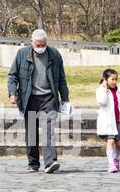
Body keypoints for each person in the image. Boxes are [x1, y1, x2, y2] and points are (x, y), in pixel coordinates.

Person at [6, 28, 71, 174]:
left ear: (46, 42)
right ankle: (33, 164)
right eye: (38, 45)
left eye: (43, 45)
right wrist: (12, 93)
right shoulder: (22, 54)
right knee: (31, 132)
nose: (40, 48)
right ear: (31, 43)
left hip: (49, 97)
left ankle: (50, 162)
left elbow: (61, 78)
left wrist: (65, 99)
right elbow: (12, 76)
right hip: (29, 97)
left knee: (48, 130)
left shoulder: (54, 54)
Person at [95, 68, 120, 173]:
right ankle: (111, 164)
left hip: (118, 121)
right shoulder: (100, 90)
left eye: (116, 79)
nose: (114, 82)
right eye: (112, 79)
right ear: (105, 79)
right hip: (108, 121)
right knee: (110, 141)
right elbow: (102, 102)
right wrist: (104, 88)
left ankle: (116, 160)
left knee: (119, 143)